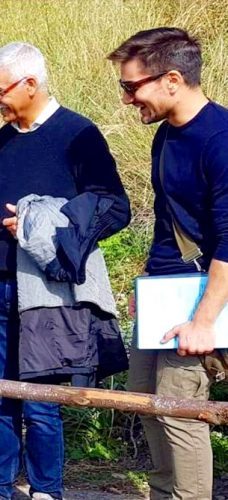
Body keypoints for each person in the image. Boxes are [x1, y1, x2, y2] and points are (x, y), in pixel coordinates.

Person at [0, 43, 130, 500]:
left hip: (48, 292)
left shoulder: (79, 135)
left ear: (30, 84)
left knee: (41, 399)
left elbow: (114, 208)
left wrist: (48, 229)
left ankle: (47, 489)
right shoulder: (3, 139)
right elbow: (7, 209)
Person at [108, 27, 228, 499]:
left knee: (180, 409)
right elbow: (168, 223)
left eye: (132, 86)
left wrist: (203, 322)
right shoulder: (165, 137)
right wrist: (148, 289)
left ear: (172, 79)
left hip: (201, 301)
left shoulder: (220, 140)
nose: (126, 99)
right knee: (146, 401)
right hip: (164, 293)